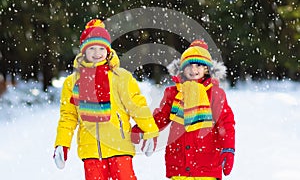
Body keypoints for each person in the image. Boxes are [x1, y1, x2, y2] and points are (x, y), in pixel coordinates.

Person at [53, 19, 159, 180]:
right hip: (91, 150)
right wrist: (62, 144)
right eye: (92, 48)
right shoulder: (73, 82)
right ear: (83, 51)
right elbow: (68, 116)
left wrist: (150, 130)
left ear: (108, 50)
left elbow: (137, 105)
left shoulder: (120, 77)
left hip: (119, 146)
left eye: (101, 48)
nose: (97, 53)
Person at [132, 39, 235, 180]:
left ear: (207, 69)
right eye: (189, 65)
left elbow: (226, 123)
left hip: (207, 163)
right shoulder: (174, 93)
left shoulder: (215, 94)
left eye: (199, 65)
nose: (193, 70)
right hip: (179, 163)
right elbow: (161, 117)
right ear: (182, 69)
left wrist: (228, 148)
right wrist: (143, 128)